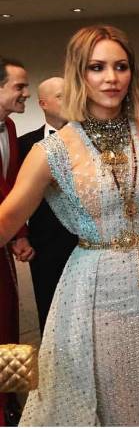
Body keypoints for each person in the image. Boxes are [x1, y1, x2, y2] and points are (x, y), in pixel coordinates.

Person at [0, 25, 139, 426]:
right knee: (105, 391)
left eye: (121, 66)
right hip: (96, 289)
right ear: (79, 74)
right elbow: (7, 220)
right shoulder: (52, 151)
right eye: (97, 67)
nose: (111, 78)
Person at [18, 76, 77, 333]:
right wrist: (19, 236)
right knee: (50, 310)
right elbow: (15, 195)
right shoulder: (24, 144)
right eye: (61, 96)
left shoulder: (93, 139)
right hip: (45, 244)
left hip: (90, 242)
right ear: (43, 103)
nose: (70, 100)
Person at [0, 56, 33, 427]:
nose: (26, 93)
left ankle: (12, 403)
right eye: (19, 86)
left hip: (4, 239)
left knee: (10, 321)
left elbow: (8, 189)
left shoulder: (8, 127)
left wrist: (18, 234)